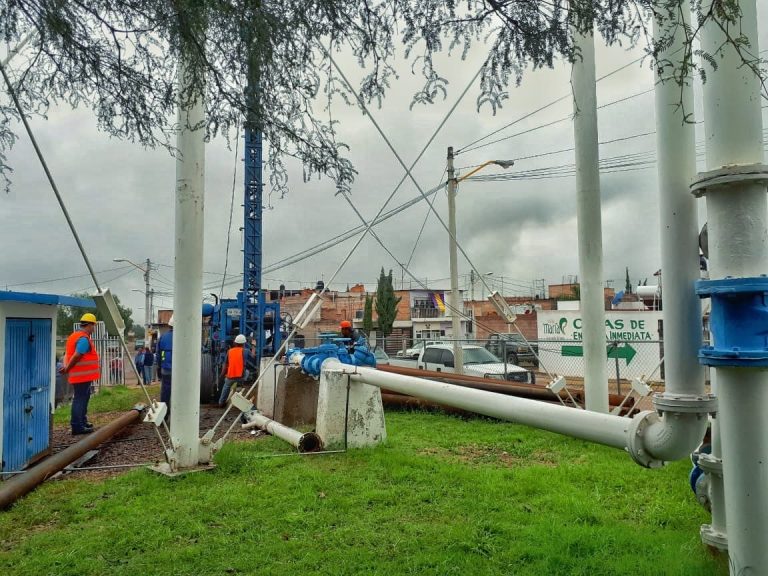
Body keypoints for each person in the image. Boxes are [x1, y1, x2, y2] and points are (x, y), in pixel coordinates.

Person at [59, 313, 101, 435]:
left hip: (81, 375)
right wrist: (67, 368)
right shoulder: (83, 338)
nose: (94, 328)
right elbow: (77, 355)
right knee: (80, 399)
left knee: (84, 397)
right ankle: (77, 426)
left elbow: (68, 354)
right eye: (93, 325)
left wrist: (66, 367)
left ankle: (82, 421)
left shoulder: (74, 336)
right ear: (89, 325)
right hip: (81, 376)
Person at [218, 334, 248, 406]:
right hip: (240, 376)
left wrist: (221, 375)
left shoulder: (229, 351)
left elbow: (225, 365)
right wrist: (253, 346)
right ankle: (239, 392)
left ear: (235, 343)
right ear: (244, 343)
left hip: (230, 375)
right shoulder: (245, 351)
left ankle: (221, 403)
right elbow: (253, 356)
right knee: (247, 373)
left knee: (226, 387)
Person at [156, 316, 174, 420]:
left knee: (165, 393)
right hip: (180, 372)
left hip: (166, 370)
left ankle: (164, 416)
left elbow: (158, 355)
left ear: (169, 325)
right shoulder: (183, 337)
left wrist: (159, 367)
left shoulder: (162, 337)